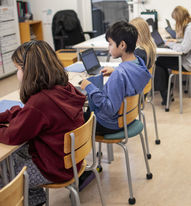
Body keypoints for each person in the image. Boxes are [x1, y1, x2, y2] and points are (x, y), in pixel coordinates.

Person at [0, 40, 86, 206]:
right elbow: (27, 114)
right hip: (70, 160)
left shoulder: (40, 102)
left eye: (18, 69)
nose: (17, 73)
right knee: (12, 158)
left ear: (29, 71)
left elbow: (13, 136)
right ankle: (36, 201)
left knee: (6, 171)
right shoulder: (63, 88)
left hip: (53, 167)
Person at [80, 21, 151, 135]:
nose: (109, 48)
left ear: (122, 45)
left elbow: (109, 109)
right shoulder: (139, 63)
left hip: (109, 124)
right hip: (127, 118)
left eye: (110, 44)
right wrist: (115, 71)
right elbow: (127, 76)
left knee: (72, 119)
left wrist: (89, 87)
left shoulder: (120, 74)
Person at [155, 6, 191, 105]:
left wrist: (170, 44)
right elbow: (189, 42)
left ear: (179, 19)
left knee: (159, 61)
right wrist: (177, 41)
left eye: (176, 20)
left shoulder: (190, 28)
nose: (176, 23)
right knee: (163, 60)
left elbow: (184, 49)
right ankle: (167, 90)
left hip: (189, 64)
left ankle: (166, 95)